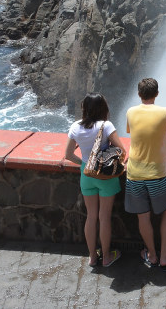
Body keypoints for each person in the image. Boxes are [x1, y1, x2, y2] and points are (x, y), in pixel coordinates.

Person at [125, 77, 166, 271]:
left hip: (134, 174)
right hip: (158, 175)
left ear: (139, 94)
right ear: (157, 94)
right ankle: (165, 256)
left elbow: (137, 135)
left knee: (143, 218)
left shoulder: (130, 112)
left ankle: (151, 255)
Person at [63, 93, 128, 268]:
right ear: (103, 108)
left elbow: (68, 155)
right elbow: (122, 150)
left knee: (91, 217)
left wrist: (85, 164)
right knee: (104, 217)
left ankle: (92, 257)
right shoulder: (105, 126)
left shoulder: (75, 126)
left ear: (84, 108)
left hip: (87, 175)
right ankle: (106, 257)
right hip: (105, 176)